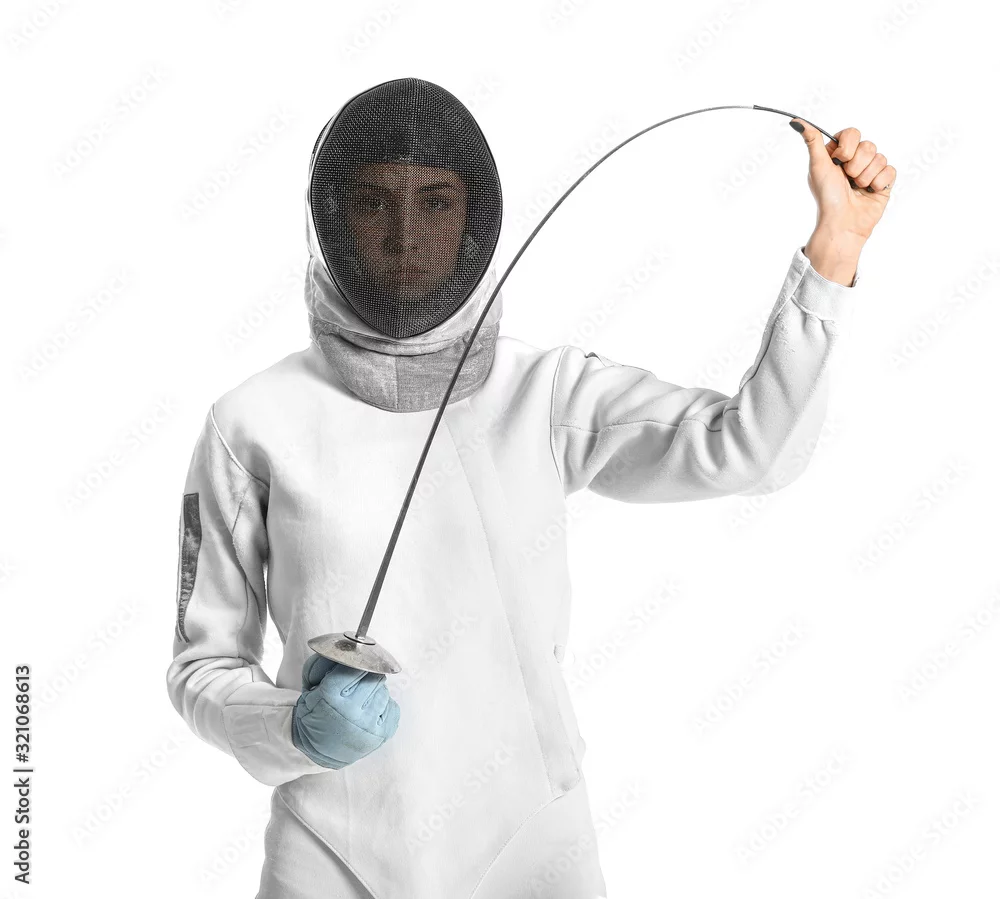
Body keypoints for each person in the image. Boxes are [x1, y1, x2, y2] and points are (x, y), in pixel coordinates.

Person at [165, 78, 893, 899]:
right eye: (373, 203)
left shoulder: (544, 393)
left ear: (475, 221)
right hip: (330, 852)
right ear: (332, 219)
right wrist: (294, 727)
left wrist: (835, 251)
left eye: (435, 202)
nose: (404, 236)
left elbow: (752, 449)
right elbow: (202, 666)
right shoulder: (251, 422)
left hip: (532, 843)